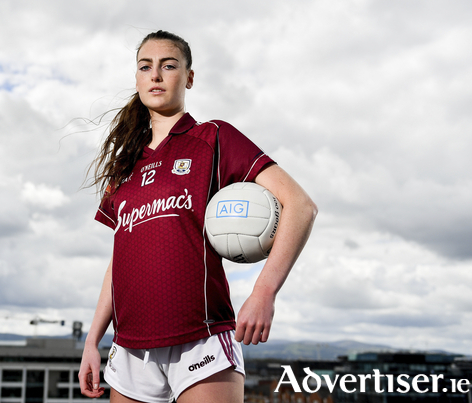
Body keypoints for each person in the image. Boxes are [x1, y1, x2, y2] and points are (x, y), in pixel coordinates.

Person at [78, 30, 317, 403]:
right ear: (137, 78)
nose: (155, 75)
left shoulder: (213, 138)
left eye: (168, 65)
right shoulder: (124, 169)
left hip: (201, 338)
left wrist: (264, 291)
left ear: (188, 78)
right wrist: (93, 340)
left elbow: (300, 206)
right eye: (146, 66)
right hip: (129, 348)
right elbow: (119, 261)